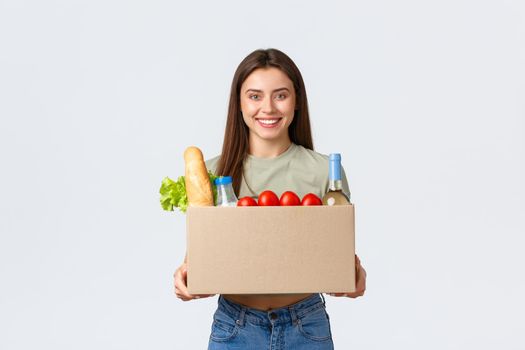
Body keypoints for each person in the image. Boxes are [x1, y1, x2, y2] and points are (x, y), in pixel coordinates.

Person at [174, 48, 367, 349]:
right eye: (254, 96)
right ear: (238, 103)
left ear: (297, 101)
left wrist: (353, 276)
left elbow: (336, 258)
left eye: (280, 95)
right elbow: (203, 258)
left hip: (306, 326)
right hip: (235, 327)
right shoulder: (212, 173)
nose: (268, 108)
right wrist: (186, 278)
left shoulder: (324, 171)